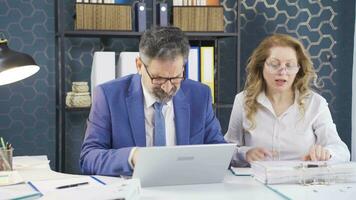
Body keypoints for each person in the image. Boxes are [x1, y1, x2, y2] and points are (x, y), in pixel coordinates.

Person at [80, 26, 225, 176]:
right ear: (139, 65)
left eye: (175, 77)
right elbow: (88, 158)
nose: (167, 87)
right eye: (158, 78)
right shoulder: (108, 96)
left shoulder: (200, 95)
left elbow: (219, 150)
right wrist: (132, 156)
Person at [225, 34, 350, 167]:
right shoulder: (243, 100)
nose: (282, 71)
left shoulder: (316, 103)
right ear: (262, 66)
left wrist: (327, 153)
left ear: (298, 69)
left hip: (302, 183)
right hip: (256, 184)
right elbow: (226, 151)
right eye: (274, 64)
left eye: (289, 65)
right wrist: (246, 154)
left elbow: (342, 151)